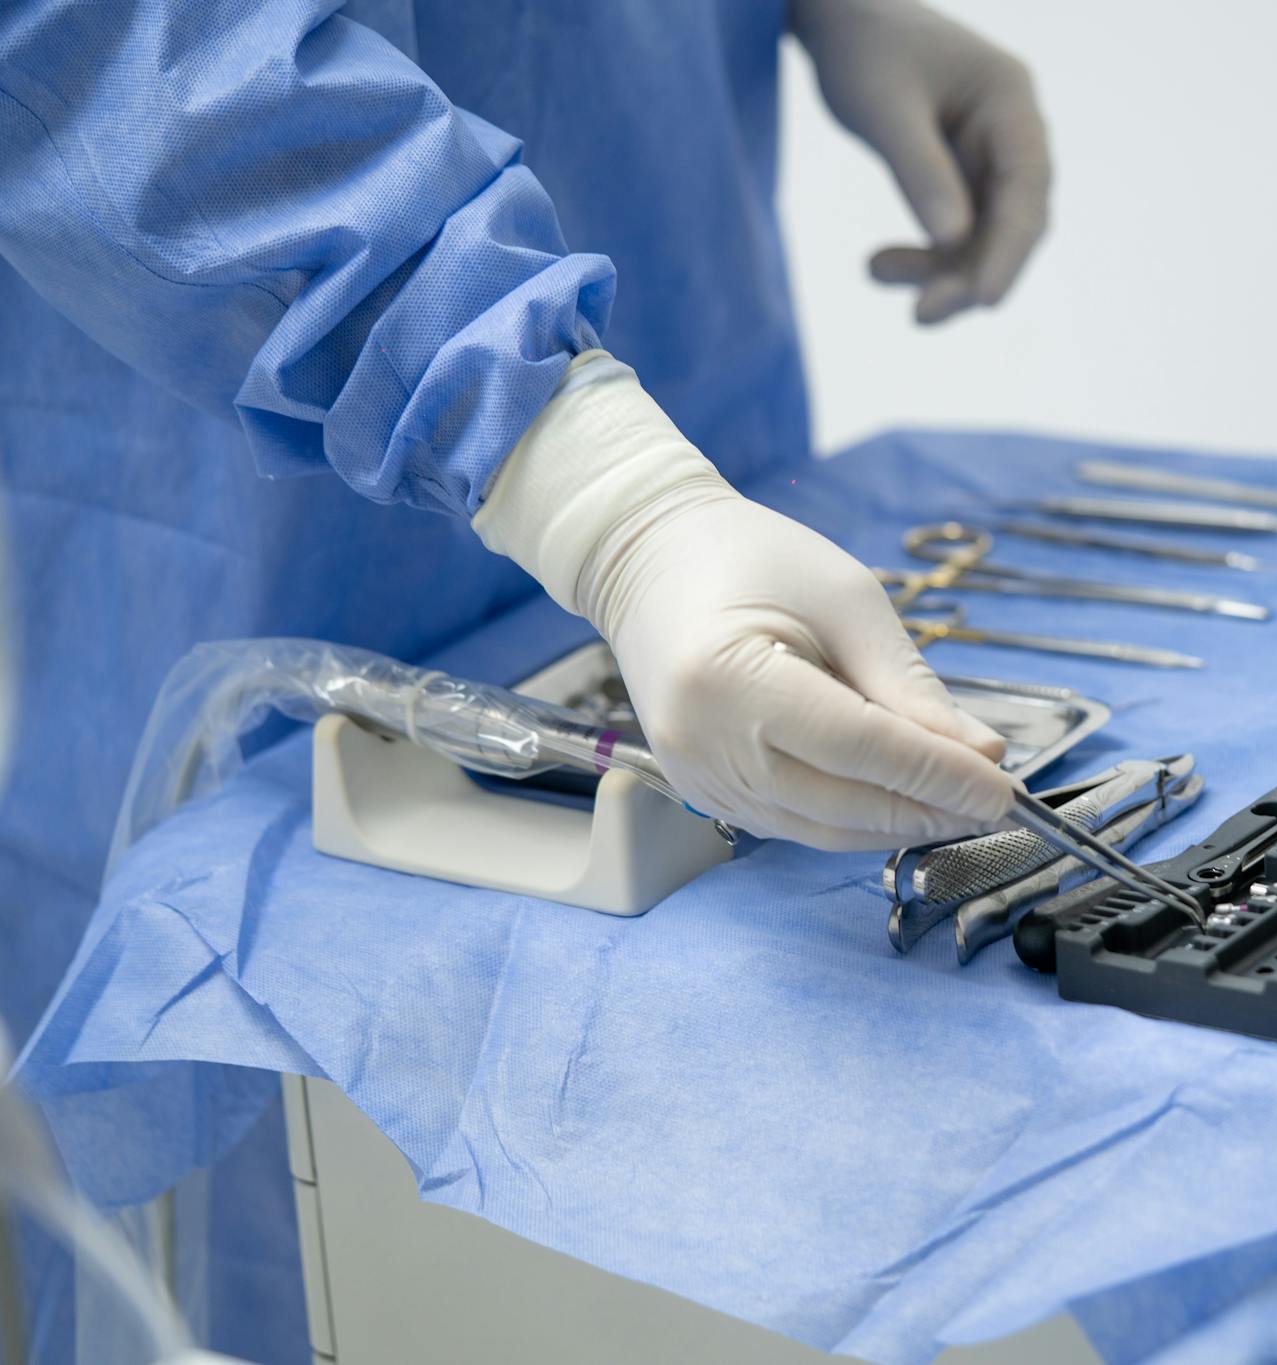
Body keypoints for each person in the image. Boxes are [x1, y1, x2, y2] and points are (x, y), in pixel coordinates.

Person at [0, 3, 1047, 1356]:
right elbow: (123, 49)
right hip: (255, 517)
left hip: (671, 340)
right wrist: (598, 486)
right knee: (307, 1243)